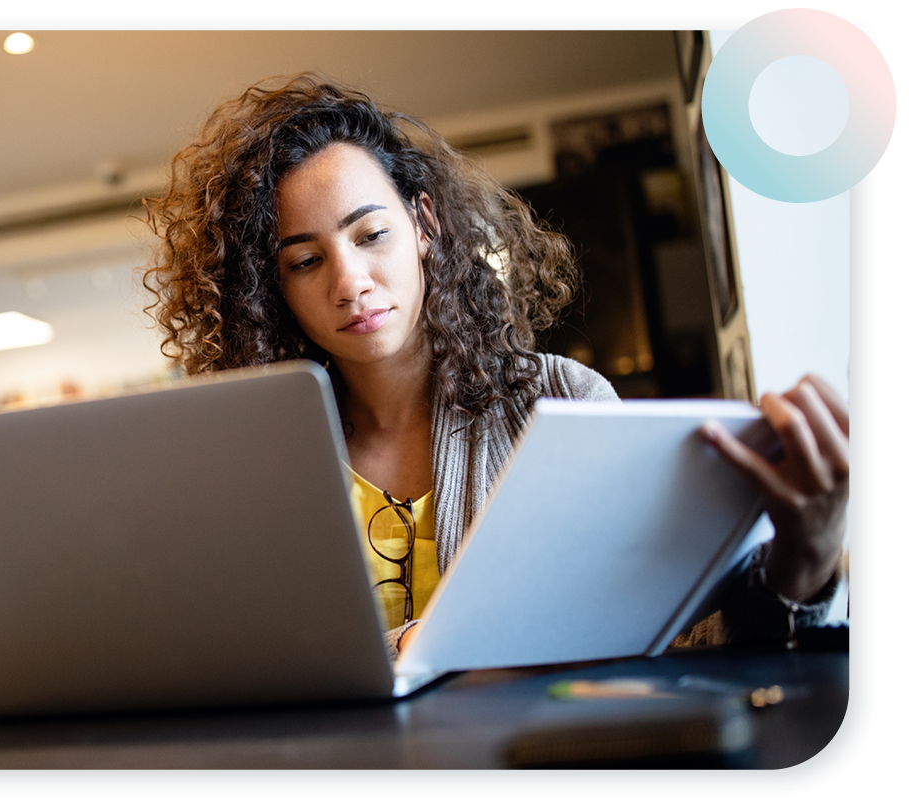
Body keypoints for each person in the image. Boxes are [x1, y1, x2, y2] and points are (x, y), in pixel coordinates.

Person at [142, 73, 849, 653]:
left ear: (424, 225)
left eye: (372, 234)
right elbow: (238, 662)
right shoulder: (254, 460)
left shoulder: (562, 406)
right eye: (304, 259)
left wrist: (806, 560)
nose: (349, 280)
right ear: (274, 289)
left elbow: (682, 640)